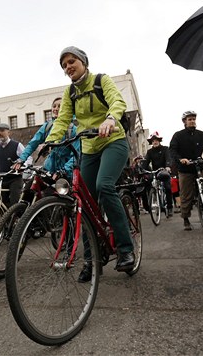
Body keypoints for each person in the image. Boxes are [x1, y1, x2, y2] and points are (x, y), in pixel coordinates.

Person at [46, 46, 135, 281]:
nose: (68, 67)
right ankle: (91, 259)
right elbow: (63, 118)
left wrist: (109, 119)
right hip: (88, 147)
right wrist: (50, 142)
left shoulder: (100, 80)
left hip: (112, 140)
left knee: (104, 186)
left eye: (72, 61)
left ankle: (126, 250)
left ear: (83, 62)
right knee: (82, 203)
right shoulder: (70, 93)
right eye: (64, 65)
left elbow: (117, 102)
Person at [169, 111, 203, 231]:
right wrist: (181, 159)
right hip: (185, 169)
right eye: (189, 119)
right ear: (184, 122)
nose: (192, 121)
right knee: (186, 195)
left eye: (193, 119)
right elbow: (173, 150)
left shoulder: (200, 134)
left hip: (199, 166)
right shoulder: (178, 135)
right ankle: (186, 218)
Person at [13, 96, 79, 177]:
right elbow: (33, 143)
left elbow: (76, 155)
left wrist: (64, 170)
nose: (56, 109)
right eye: (54, 106)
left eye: (60, 106)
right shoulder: (47, 126)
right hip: (48, 169)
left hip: (66, 174)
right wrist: (22, 159)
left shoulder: (73, 130)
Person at [0, 123, 31, 207]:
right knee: (0, 203)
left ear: (9, 132)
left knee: (14, 203)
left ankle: (17, 218)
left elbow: (28, 158)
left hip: (15, 179)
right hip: (2, 178)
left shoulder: (17, 145)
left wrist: (24, 166)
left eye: (2, 130)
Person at [143, 132, 173, 217]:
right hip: (155, 172)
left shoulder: (165, 149)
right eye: (153, 141)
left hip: (164, 171)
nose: (155, 142)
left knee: (167, 188)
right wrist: (142, 169)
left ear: (159, 141)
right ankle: (160, 206)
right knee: (155, 187)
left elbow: (168, 158)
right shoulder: (149, 152)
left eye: (156, 140)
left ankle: (170, 207)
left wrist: (168, 166)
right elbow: (146, 162)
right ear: (151, 142)